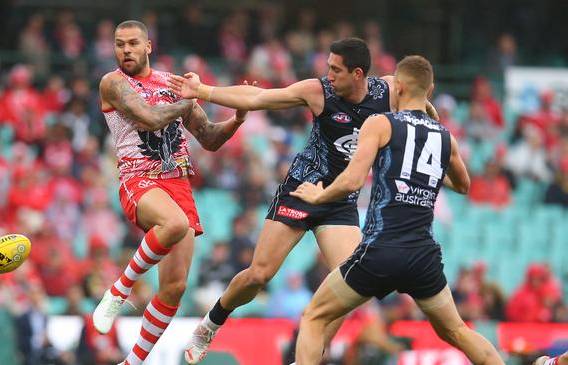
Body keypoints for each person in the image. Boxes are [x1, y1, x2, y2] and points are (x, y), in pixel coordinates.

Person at [169, 37, 439, 363]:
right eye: (328, 67)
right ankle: (211, 323)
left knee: (352, 285)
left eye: (335, 69)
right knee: (259, 275)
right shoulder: (318, 91)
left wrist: (430, 118)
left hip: (338, 199)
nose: (328, 74)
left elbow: (420, 98)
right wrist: (203, 91)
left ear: (358, 74)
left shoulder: (389, 91)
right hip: (300, 191)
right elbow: (258, 97)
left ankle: (307, 356)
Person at [288, 55, 503, 365]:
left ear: (398, 86)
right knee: (456, 330)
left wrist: (320, 195)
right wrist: (423, 174)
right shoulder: (446, 137)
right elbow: (463, 185)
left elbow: (352, 180)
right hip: (422, 255)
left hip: (381, 250)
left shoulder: (380, 123)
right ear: (430, 91)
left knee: (314, 317)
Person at [92, 20, 248, 365]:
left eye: (133, 43)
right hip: (139, 179)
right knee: (174, 225)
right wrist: (190, 100)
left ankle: (132, 362)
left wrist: (237, 118)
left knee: (175, 288)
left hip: (178, 182)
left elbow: (208, 138)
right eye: (119, 44)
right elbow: (149, 118)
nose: (126, 50)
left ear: (149, 46)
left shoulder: (171, 82)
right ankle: (119, 289)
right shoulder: (113, 83)